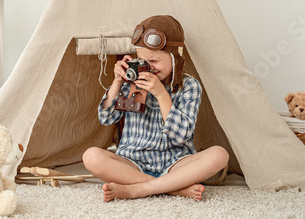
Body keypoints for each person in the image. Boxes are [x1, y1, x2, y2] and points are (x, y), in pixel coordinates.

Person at [83, 15, 229, 202]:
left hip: (175, 161)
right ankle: (173, 188)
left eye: (154, 61)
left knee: (219, 155)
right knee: (91, 156)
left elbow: (181, 135)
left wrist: (161, 95)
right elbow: (106, 118)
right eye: (142, 60)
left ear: (176, 57)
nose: (147, 67)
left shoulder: (189, 86)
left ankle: (138, 190)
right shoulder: (132, 80)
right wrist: (117, 82)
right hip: (132, 161)